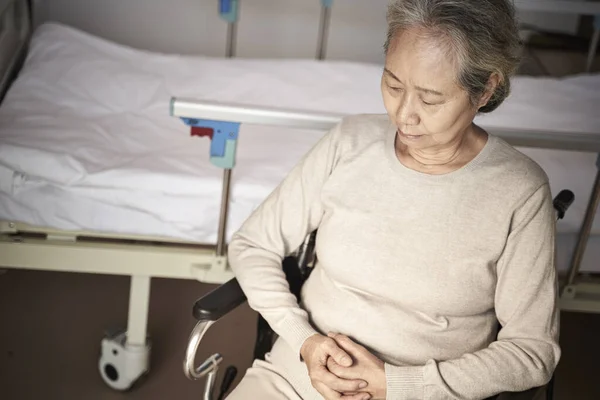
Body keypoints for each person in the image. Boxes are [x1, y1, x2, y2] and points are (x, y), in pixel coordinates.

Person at [225, 0, 560, 399]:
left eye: (430, 99)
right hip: (293, 378)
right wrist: (305, 341)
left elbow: (533, 352)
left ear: (485, 89)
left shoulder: (520, 190)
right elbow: (252, 244)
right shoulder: (349, 142)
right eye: (393, 85)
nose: (403, 115)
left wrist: (398, 384)